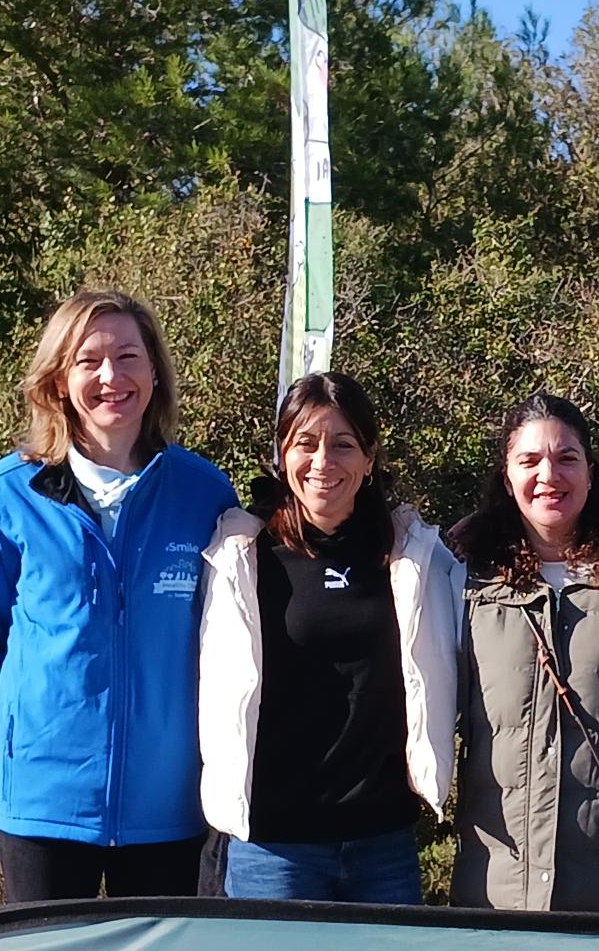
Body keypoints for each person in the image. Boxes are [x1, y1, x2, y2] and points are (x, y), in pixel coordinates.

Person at [0, 289, 236, 902]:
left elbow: (234, 652)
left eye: (128, 357)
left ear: (154, 372)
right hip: (40, 802)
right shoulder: (7, 494)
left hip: (168, 805)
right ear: (58, 380)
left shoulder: (204, 494)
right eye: (89, 361)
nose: (112, 377)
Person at [197, 372, 461, 903]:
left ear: (369, 459)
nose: (323, 462)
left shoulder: (413, 557)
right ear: (282, 453)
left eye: (343, 445)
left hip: (382, 841)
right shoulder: (241, 555)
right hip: (274, 847)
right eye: (305, 443)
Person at [448, 393, 599, 913]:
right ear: (508, 480)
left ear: (590, 473)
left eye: (566, 458)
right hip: (494, 900)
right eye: (529, 461)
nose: (548, 474)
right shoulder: (462, 578)